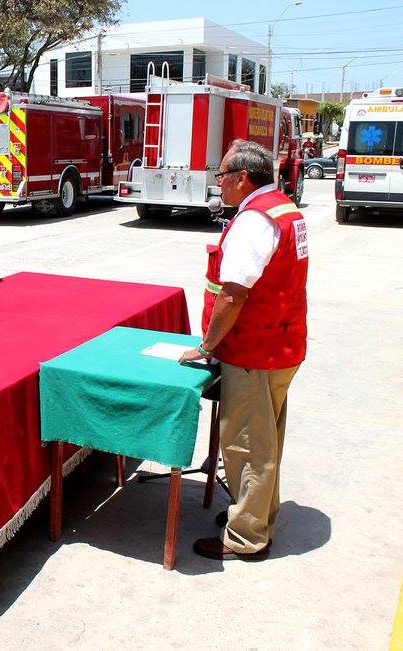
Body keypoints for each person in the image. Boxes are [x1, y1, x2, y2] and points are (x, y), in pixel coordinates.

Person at [180, 140, 308, 560]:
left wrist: (206, 346)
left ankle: (246, 537)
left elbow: (233, 295)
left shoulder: (254, 221)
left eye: (221, 176)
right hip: (281, 344)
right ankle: (255, 514)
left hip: (256, 351)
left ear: (240, 177)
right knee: (266, 440)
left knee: (247, 446)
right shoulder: (283, 208)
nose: (219, 184)